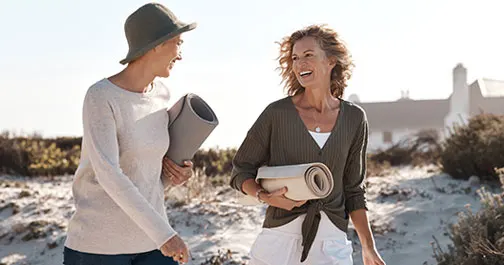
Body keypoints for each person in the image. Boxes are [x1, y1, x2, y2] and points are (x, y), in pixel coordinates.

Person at [230, 24, 386, 265]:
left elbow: (354, 189)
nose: (300, 63)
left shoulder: (355, 118)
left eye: (308, 55)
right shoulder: (276, 114)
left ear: (330, 61)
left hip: (331, 243)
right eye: (295, 58)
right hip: (278, 240)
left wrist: (368, 246)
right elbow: (240, 171)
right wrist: (265, 196)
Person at [63, 3, 197, 265]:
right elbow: (109, 174)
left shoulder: (161, 96)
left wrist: (174, 175)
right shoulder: (101, 96)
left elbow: (145, 175)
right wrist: (165, 236)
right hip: (98, 247)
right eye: (178, 43)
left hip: (151, 244)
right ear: (155, 44)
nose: (180, 54)